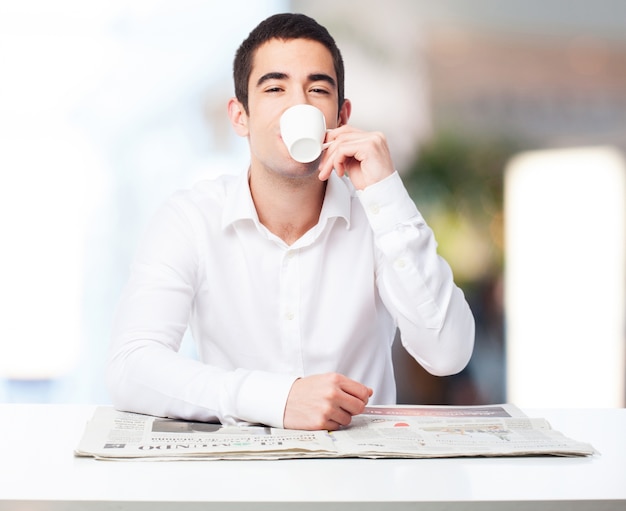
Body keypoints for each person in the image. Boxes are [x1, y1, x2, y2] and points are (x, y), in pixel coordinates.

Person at [106, 12, 475, 431]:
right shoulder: (190, 218)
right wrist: (276, 400)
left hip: (362, 484)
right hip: (239, 484)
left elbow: (448, 353)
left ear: (340, 115)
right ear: (239, 116)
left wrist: (386, 192)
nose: (298, 105)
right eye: (275, 88)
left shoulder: (380, 217)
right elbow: (130, 367)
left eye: (317, 89)